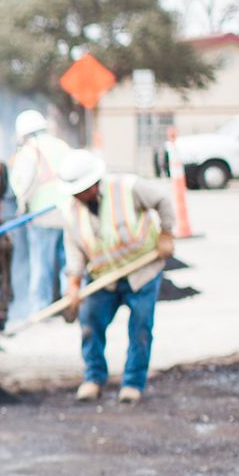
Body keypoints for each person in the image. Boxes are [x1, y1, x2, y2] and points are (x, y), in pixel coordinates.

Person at [58, 150, 176, 404]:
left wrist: (167, 233)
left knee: (140, 328)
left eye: (81, 190)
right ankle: (94, 378)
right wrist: (73, 284)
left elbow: (163, 200)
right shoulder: (71, 211)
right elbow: (75, 250)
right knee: (90, 324)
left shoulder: (127, 188)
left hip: (142, 272)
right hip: (105, 278)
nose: (78, 196)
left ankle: (133, 383)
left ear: (93, 184)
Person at [7, 109, 72, 325]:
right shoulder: (62, 146)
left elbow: (24, 182)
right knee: (69, 262)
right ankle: (71, 304)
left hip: (43, 215)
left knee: (41, 263)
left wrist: (22, 204)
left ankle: (41, 310)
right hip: (68, 213)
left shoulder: (29, 151)